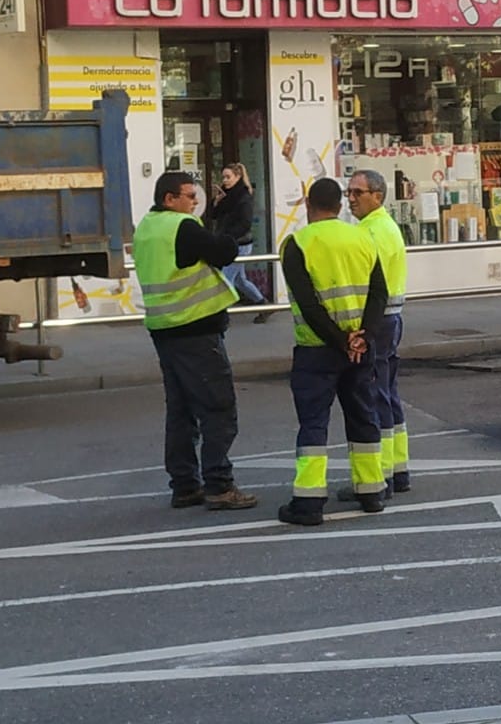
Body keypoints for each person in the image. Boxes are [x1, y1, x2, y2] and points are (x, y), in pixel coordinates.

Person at [132, 171, 258, 511]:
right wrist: (230, 231)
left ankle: (185, 485)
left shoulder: (146, 227)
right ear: (169, 199)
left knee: (181, 412)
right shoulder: (181, 226)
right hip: (195, 330)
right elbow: (223, 252)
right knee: (217, 408)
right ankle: (219, 485)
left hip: (164, 329)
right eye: (189, 196)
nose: (195, 201)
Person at [278, 177, 389, 527]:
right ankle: (371, 492)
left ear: (309, 205)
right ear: (340, 206)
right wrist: (364, 336)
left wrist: (340, 340)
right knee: (363, 415)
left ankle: (309, 502)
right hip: (360, 349)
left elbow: (309, 305)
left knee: (313, 423)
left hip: (317, 350)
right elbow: (378, 293)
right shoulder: (363, 238)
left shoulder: (297, 243)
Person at [346, 169, 411, 496]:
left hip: (378, 322)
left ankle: (381, 474)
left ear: (378, 196)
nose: (351, 199)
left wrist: (361, 329)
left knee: (375, 394)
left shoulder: (371, 232)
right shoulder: (384, 226)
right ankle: (398, 470)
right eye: (349, 193)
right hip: (390, 320)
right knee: (388, 391)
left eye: (358, 192)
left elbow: (370, 287)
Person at [209, 162, 273, 320]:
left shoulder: (243, 197)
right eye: (223, 177)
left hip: (239, 244)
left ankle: (221, 314)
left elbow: (245, 224)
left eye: (228, 177)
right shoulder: (225, 195)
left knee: (225, 279)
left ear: (238, 177)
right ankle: (263, 304)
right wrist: (216, 202)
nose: (225, 180)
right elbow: (214, 215)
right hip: (229, 241)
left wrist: (228, 238)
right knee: (239, 279)